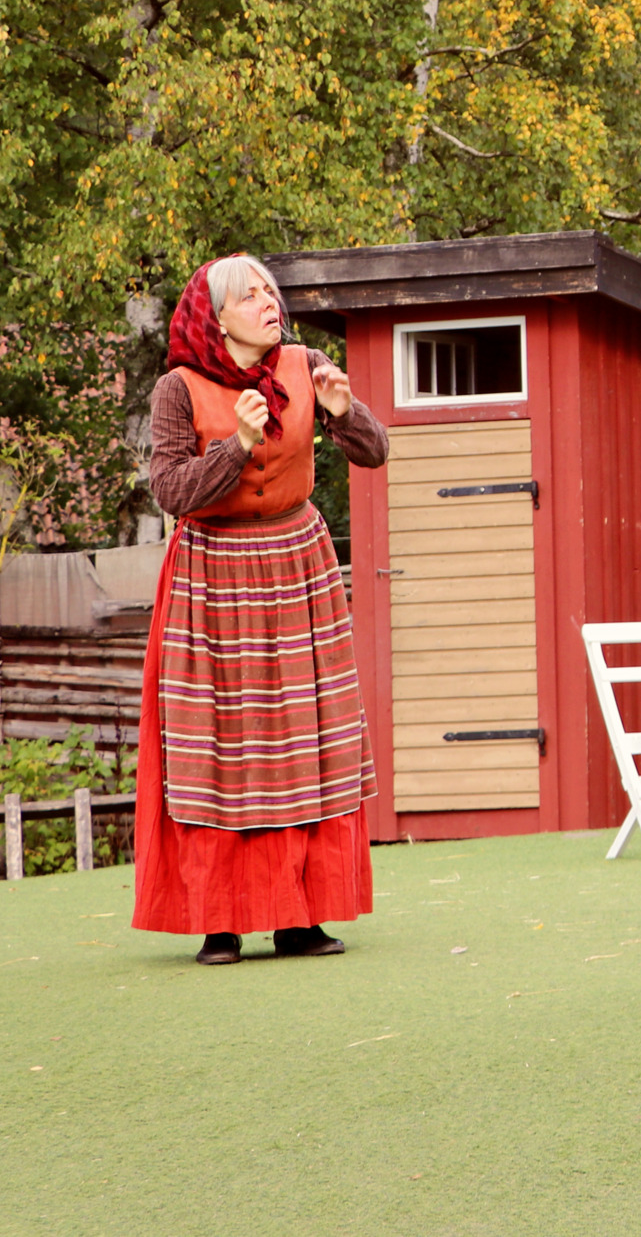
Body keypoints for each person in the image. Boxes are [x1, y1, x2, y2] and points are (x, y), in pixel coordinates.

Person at [132, 254, 387, 964]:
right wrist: (237, 446)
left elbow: (375, 451)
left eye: (271, 291)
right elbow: (173, 491)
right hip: (213, 574)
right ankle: (222, 921)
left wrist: (345, 412)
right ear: (217, 317)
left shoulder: (305, 366)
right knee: (221, 745)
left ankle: (302, 917)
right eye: (250, 296)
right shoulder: (178, 389)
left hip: (299, 564)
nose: (268, 303)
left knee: (309, 733)